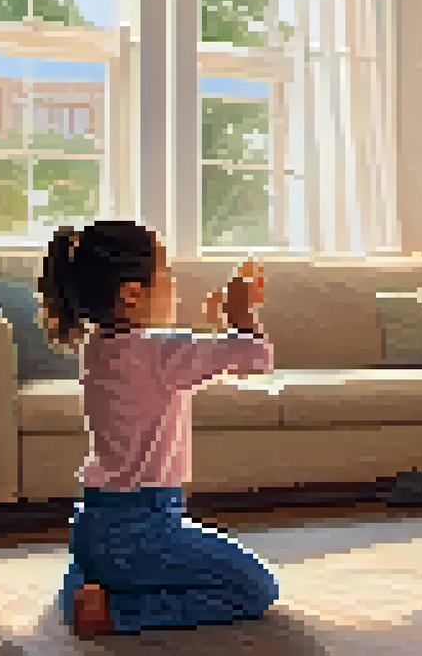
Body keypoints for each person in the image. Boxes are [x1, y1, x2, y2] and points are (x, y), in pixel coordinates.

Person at [38, 220, 278, 636]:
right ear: (131, 293)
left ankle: (84, 584)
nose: (173, 283)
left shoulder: (98, 348)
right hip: (143, 530)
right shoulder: (161, 352)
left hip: (92, 524)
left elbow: (179, 356)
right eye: (165, 274)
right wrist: (241, 314)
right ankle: (116, 614)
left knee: (126, 560)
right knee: (256, 588)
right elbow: (256, 357)